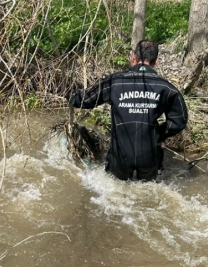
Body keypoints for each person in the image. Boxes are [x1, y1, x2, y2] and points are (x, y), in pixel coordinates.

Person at [68, 39, 188, 181]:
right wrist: (157, 133)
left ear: (133, 58)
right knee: (147, 193)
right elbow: (179, 121)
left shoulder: (115, 82)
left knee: (116, 194)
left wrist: (69, 92)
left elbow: (84, 101)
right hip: (149, 154)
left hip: (120, 154)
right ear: (156, 61)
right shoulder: (166, 87)